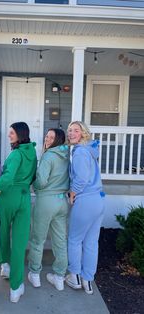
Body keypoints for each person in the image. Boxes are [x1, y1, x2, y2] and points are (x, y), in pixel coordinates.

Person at [0, 122, 37, 303]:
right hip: (25, 197)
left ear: (20, 134)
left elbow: (8, 177)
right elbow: (34, 175)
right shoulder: (32, 152)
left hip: (8, 195)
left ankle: (5, 265)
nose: (9, 135)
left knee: (3, 231)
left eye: (12, 132)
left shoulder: (16, 154)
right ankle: (16, 287)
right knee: (19, 242)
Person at [65, 121, 105, 295]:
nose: (71, 133)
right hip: (99, 199)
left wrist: (72, 194)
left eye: (75, 130)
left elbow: (81, 179)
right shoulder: (89, 150)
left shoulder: (81, 152)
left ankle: (74, 277)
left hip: (86, 200)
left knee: (74, 240)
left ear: (83, 133)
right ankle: (88, 280)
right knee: (90, 242)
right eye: (69, 130)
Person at [28, 128, 70, 291]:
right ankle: (59, 277)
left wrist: (34, 186)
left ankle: (35, 274)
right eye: (47, 136)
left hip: (46, 201)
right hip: (62, 202)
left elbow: (42, 181)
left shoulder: (48, 155)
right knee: (60, 241)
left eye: (51, 137)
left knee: (38, 240)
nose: (47, 139)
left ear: (58, 140)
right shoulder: (66, 156)